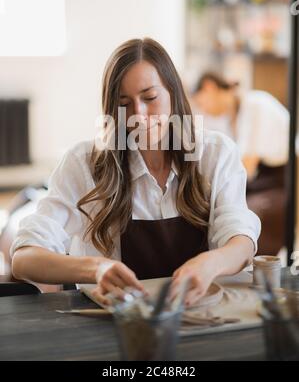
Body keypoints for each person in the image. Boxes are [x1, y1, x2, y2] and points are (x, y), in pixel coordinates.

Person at [11, 39, 260, 308]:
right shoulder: (83, 164)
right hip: (114, 326)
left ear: (173, 94)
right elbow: (24, 259)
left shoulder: (215, 154)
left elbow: (241, 242)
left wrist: (212, 263)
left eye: (150, 98)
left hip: (199, 319)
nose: (138, 115)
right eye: (124, 103)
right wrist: (95, 269)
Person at [191, 71, 289, 255]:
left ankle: (250, 270)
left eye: (202, 103)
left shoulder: (256, 104)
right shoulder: (229, 116)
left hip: (283, 180)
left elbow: (247, 165)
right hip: (259, 180)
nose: (203, 110)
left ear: (210, 87)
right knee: (210, 211)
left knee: (245, 215)